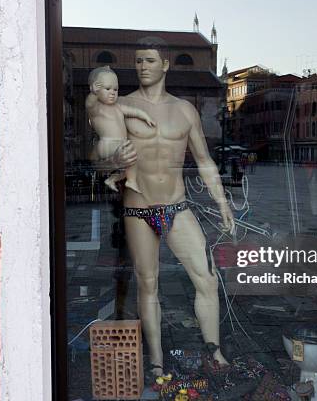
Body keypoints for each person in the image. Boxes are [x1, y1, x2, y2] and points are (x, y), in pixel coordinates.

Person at [96, 37, 235, 378]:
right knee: (148, 283)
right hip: (137, 208)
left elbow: (204, 161)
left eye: (149, 60)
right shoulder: (120, 107)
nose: (142, 66)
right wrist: (112, 160)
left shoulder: (184, 110)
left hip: (177, 206)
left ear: (165, 65)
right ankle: (157, 360)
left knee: (207, 278)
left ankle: (213, 351)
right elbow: (99, 156)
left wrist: (222, 203)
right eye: (138, 60)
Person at [86, 65, 156, 193]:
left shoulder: (117, 107)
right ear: (96, 88)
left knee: (134, 161)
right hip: (108, 143)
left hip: (119, 143)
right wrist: (93, 93)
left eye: (115, 89)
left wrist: (146, 117)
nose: (112, 92)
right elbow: (89, 105)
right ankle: (129, 181)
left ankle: (114, 179)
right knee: (133, 158)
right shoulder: (97, 109)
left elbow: (133, 111)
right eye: (107, 89)